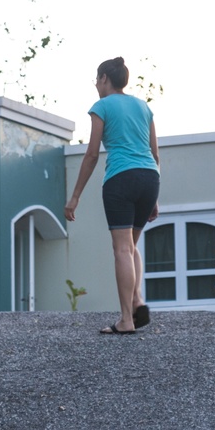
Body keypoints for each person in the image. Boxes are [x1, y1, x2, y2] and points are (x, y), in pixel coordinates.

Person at [64, 57, 160, 335]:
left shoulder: (102, 106)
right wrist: (154, 197)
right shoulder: (144, 107)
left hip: (121, 178)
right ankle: (137, 300)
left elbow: (92, 153)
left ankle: (127, 320)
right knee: (130, 246)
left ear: (105, 78)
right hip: (149, 177)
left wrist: (75, 196)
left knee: (121, 249)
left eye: (97, 79)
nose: (96, 84)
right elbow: (155, 154)